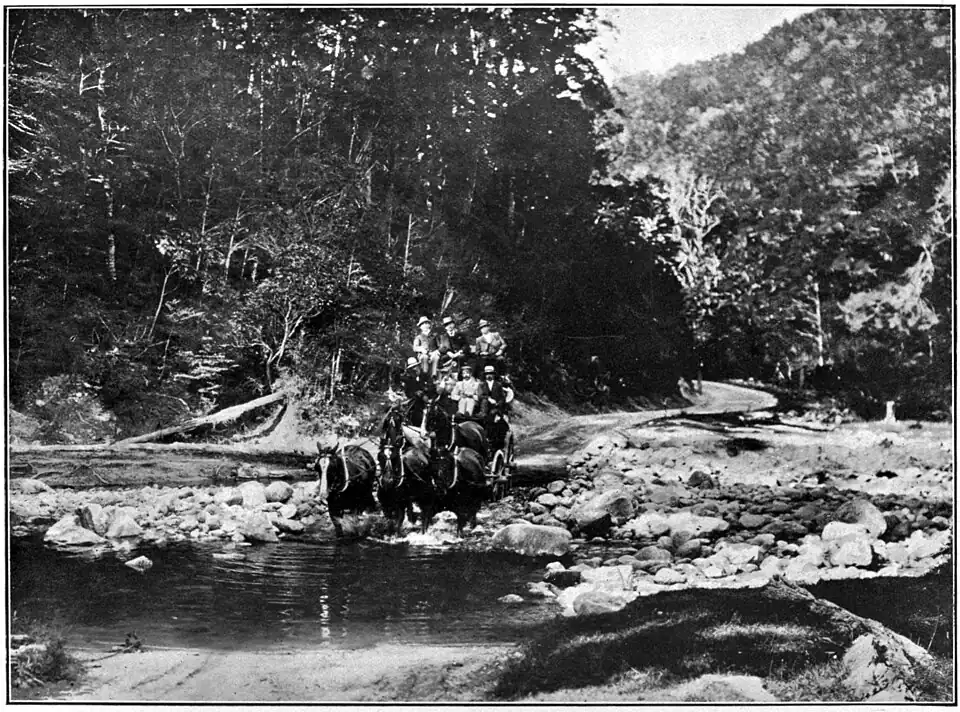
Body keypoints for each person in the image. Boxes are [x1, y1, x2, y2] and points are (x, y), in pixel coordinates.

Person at [478, 364, 509, 451]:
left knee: (493, 416)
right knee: (483, 417)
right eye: (487, 374)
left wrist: (497, 404)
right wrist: (488, 399)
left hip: (496, 408)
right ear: (485, 375)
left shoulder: (498, 385)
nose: (489, 376)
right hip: (484, 408)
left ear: (494, 375)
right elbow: (480, 396)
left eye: (491, 374)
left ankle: (493, 440)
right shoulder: (481, 385)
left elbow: (502, 398)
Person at [400, 356, 435, 429]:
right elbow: (408, 393)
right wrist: (416, 394)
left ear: (418, 366)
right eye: (412, 368)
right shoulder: (409, 380)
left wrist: (424, 393)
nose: (414, 369)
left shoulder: (426, 376)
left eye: (415, 367)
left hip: (429, 403)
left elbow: (431, 387)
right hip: (417, 405)